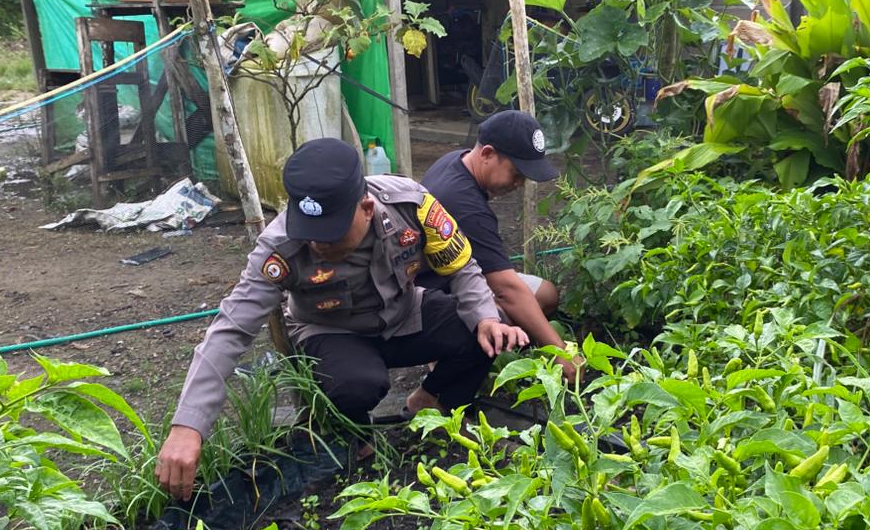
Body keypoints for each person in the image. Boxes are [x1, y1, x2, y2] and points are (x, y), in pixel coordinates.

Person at [155, 138, 528, 500]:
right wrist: (188, 424)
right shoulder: (280, 246)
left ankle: (431, 401)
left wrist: (484, 318)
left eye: (332, 235)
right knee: (358, 385)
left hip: (403, 314)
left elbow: (462, 268)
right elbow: (232, 328)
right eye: (311, 234)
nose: (319, 245)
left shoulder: (411, 205)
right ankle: (354, 436)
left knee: (488, 328)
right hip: (331, 332)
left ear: (366, 208)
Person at [418, 110, 578, 383]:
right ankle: (442, 376)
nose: (520, 183)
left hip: (449, 276)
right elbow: (505, 290)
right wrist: (560, 353)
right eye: (516, 173)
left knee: (545, 294)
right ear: (487, 154)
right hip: (431, 295)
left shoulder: (454, 161)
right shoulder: (465, 206)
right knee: (499, 317)